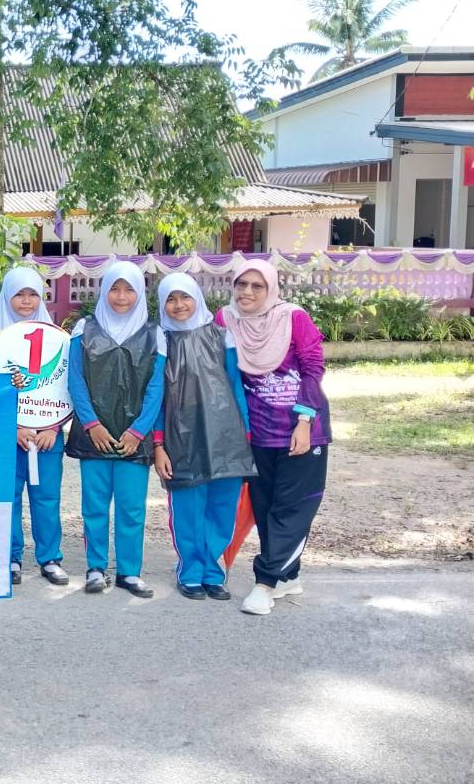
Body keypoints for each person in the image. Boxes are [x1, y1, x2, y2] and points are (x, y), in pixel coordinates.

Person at [219, 263, 331, 617]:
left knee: (293, 508)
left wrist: (304, 421)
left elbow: (313, 369)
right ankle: (288, 576)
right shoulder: (226, 320)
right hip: (257, 432)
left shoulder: (292, 317)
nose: (247, 292)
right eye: (241, 284)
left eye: (257, 286)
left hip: (302, 429)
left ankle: (265, 584)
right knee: (265, 507)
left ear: (271, 289)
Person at [153, 273, 256, 602]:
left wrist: (245, 434)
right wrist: (158, 443)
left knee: (222, 506)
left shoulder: (221, 336)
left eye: (185, 297)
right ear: (162, 304)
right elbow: (155, 397)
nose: (179, 305)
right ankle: (190, 571)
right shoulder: (160, 340)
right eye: (171, 299)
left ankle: (212, 570)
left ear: (197, 298)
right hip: (180, 437)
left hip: (226, 435)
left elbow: (236, 387)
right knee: (188, 507)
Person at [64, 262, 165, 598]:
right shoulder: (84, 328)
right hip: (94, 434)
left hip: (134, 437)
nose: (121, 297)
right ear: (104, 291)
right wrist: (91, 424)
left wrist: (138, 431)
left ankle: (129, 572)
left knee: (131, 508)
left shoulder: (155, 334)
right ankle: (95, 568)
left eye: (129, 289)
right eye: (114, 289)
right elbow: (76, 380)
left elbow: (156, 388)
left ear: (140, 293)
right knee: (94, 505)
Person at [0, 266, 68, 587]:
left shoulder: (58, 340)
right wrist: (12, 428)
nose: (27, 301)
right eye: (19, 294)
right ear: (7, 296)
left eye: (33, 294)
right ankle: (10, 557)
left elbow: (66, 387)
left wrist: (53, 427)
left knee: (47, 497)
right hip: (6, 436)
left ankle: (50, 558)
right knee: (9, 497)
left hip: (47, 435)